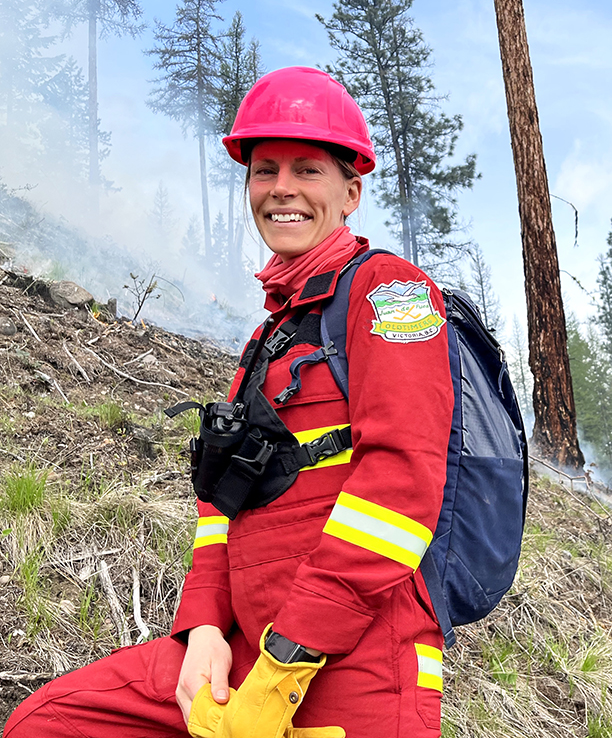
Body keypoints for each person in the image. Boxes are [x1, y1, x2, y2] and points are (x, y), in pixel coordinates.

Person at [3, 66, 454, 738]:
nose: (281, 189)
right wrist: (205, 625)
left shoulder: (390, 291)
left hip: (357, 664)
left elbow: (402, 484)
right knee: (48, 723)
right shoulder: (267, 337)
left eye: (307, 170)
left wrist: (287, 661)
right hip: (236, 650)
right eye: (264, 170)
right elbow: (221, 502)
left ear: (351, 190)